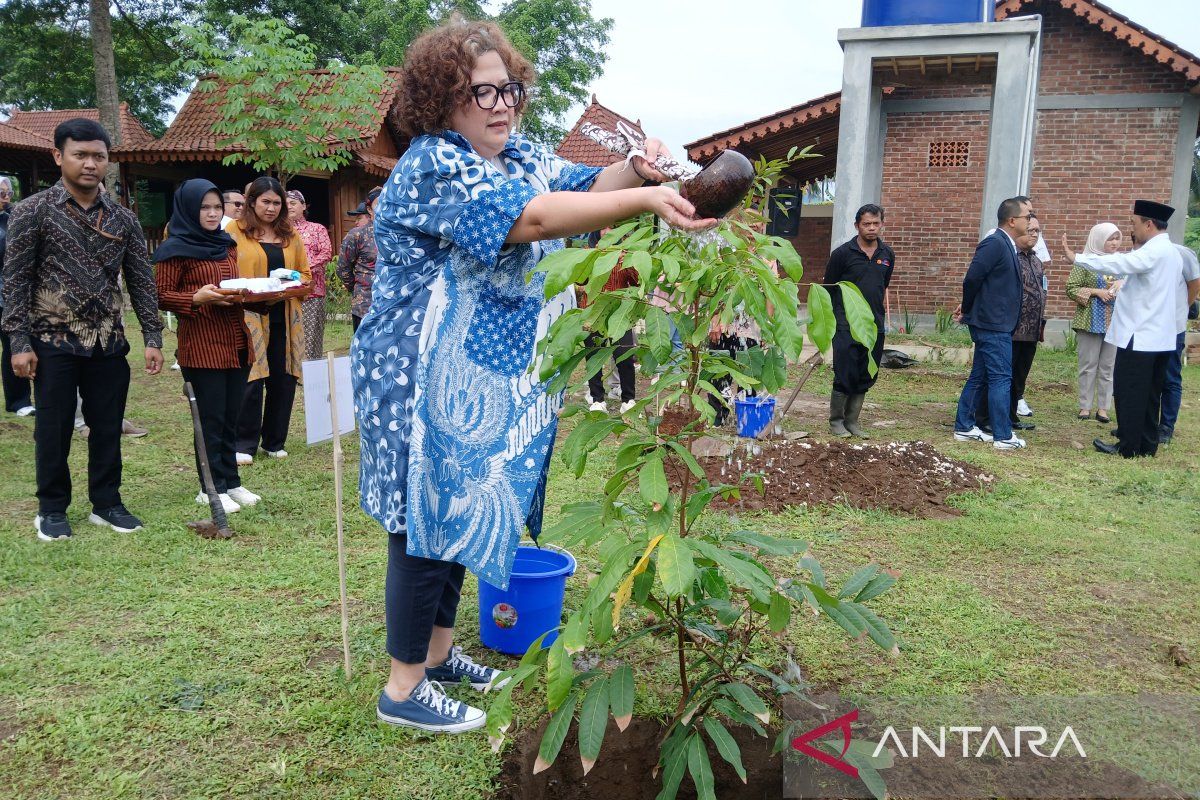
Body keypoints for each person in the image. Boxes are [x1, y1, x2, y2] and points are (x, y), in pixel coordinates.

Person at [354, 19, 712, 734]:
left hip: (477, 372)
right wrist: (643, 202)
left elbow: (587, 183)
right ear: (439, 101)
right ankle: (401, 689)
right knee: (423, 522)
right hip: (415, 376)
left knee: (458, 510)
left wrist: (638, 172)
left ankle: (438, 655)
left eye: (508, 88)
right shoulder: (432, 164)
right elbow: (539, 218)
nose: (499, 104)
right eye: (476, 91)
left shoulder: (517, 155)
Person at [1, 118, 164, 541]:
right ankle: (52, 509)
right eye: (80, 155)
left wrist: (152, 337)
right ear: (59, 157)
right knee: (53, 427)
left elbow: (140, 281)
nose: (90, 164)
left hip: (108, 340)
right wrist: (18, 342)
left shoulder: (123, 219)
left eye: (99, 156)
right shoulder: (32, 211)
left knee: (107, 424)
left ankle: (107, 503)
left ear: (108, 160)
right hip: (52, 339)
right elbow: (15, 280)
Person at [155, 179, 265, 514]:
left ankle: (231, 481)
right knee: (211, 419)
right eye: (205, 207)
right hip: (202, 345)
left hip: (235, 340)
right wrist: (195, 297)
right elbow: (158, 296)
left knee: (232, 416)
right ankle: (210, 488)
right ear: (189, 209)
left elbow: (230, 286)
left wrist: (252, 294)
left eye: (218, 207)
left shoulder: (225, 243)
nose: (213, 213)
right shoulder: (175, 249)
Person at [1060, 200, 1182, 458]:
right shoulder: (1170, 251)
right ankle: (1147, 445)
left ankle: (1127, 446)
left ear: (1149, 224)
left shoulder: (1153, 251)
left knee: (1130, 393)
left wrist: (1077, 258)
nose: (1132, 229)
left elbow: (1118, 264)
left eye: (1134, 224)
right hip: (1158, 337)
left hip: (1139, 337)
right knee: (1150, 395)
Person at [226, 176, 311, 465]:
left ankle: (274, 441)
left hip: (285, 315)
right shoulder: (235, 232)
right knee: (251, 378)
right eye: (266, 201)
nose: (272, 208)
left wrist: (291, 286)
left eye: (277, 203)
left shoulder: (290, 235)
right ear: (252, 202)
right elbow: (225, 274)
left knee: (284, 378)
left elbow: (306, 276)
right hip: (249, 314)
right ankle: (244, 443)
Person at [953, 196, 1031, 450]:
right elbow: (972, 278)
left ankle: (964, 426)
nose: (1030, 221)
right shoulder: (995, 243)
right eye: (1027, 216)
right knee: (1000, 378)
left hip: (996, 321)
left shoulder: (1006, 244)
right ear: (1012, 220)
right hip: (992, 322)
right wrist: (967, 308)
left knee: (981, 375)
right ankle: (1002, 435)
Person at [824, 203, 894, 438]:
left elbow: (883, 285)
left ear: (882, 224)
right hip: (845, 323)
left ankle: (852, 421)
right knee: (845, 371)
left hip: (874, 323)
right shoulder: (842, 254)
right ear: (857, 226)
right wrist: (835, 319)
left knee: (867, 372)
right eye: (867, 224)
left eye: (876, 223)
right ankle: (836, 421)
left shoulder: (887, 255)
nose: (872, 228)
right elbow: (829, 288)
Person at [976, 214, 1046, 435]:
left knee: (1019, 376)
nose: (1034, 234)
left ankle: (1010, 414)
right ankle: (985, 417)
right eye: (1030, 229)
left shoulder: (1035, 259)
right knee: (998, 374)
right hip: (1009, 327)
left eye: (1037, 231)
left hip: (1031, 328)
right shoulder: (1009, 255)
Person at [1065, 223, 1121, 423]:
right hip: (1089, 320)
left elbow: (1135, 287)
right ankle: (1085, 406)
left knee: (1108, 366)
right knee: (1088, 365)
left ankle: (1103, 408)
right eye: (1110, 239)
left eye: (1117, 238)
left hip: (1114, 322)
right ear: (1098, 239)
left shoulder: (1122, 263)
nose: (1114, 243)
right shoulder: (1085, 261)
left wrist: (1122, 284)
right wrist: (1097, 292)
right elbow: (1071, 288)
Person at [580, 233, 637, 414]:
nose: (606, 232)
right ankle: (597, 400)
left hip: (619, 314)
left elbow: (636, 282)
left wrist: (626, 260)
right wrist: (590, 259)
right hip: (593, 313)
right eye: (603, 228)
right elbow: (580, 280)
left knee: (625, 355)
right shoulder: (588, 253)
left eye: (611, 228)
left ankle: (628, 400)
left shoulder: (625, 255)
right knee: (593, 357)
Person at [1159, 243, 1200, 444]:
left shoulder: (1182, 253)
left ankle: (1166, 426)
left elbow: (1195, 284)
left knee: (1170, 376)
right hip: (1147, 328)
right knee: (1147, 377)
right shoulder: (1140, 253)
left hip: (1172, 328)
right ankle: (1143, 423)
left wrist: (1182, 309)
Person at [0, 176, 34, 416]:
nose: (4, 197)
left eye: (6, 192)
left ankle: (19, 401)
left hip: (11, 294)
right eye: (0, 193)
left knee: (14, 343)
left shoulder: (15, 217)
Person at [286, 190, 333, 359]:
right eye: (285, 203)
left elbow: (326, 253)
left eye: (293, 203)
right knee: (287, 335)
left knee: (311, 335)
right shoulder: (280, 231)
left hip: (312, 291)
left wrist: (301, 273)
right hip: (285, 291)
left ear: (303, 206)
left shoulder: (316, 229)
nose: (288, 206)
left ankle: (312, 374)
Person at [336, 187, 381, 331]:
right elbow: (343, 268)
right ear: (369, 209)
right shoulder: (357, 235)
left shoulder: (400, 234)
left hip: (395, 304)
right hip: (365, 305)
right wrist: (357, 288)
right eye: (380, 203)